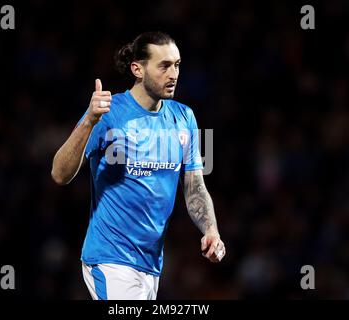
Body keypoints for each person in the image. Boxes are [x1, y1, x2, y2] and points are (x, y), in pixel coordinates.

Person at [51, 31, 226, 300]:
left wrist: (211, 230)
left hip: (151, 265)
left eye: (177, 65)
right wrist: (88, 121)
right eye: (164, 66)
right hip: (111, 258)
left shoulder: (185, 117)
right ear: (138, 69)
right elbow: (59, 174)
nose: (174, 74)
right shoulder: (108, 113)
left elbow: (194, 186)